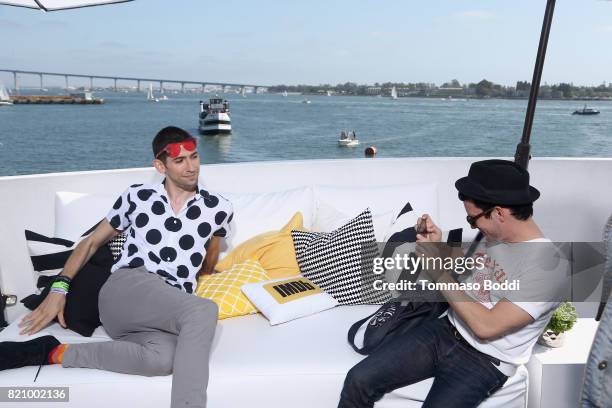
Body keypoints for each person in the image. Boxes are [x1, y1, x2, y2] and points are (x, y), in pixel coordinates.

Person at [0, 126, 233, 408]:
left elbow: (210, 253)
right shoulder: (137, 197)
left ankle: (54, 353)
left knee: (161, 360)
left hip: (164, 308)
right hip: (126, 289)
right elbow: (89, 244)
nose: (191, 167)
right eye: (180, 160)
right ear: (160, 165)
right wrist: (58, 289)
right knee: (204, 309)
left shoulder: (219, 208)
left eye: (194, 157)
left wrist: (207, 275)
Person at [338, 159, 568, 408]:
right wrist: (437, 246)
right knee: (357, 380)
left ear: (499, 213)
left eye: (473, 219)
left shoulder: (549, 267)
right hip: (445, 330)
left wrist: (437, 271)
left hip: (486, 361)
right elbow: (470, 279)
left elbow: (486, 326)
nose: (472, 225)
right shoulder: (492, 234)